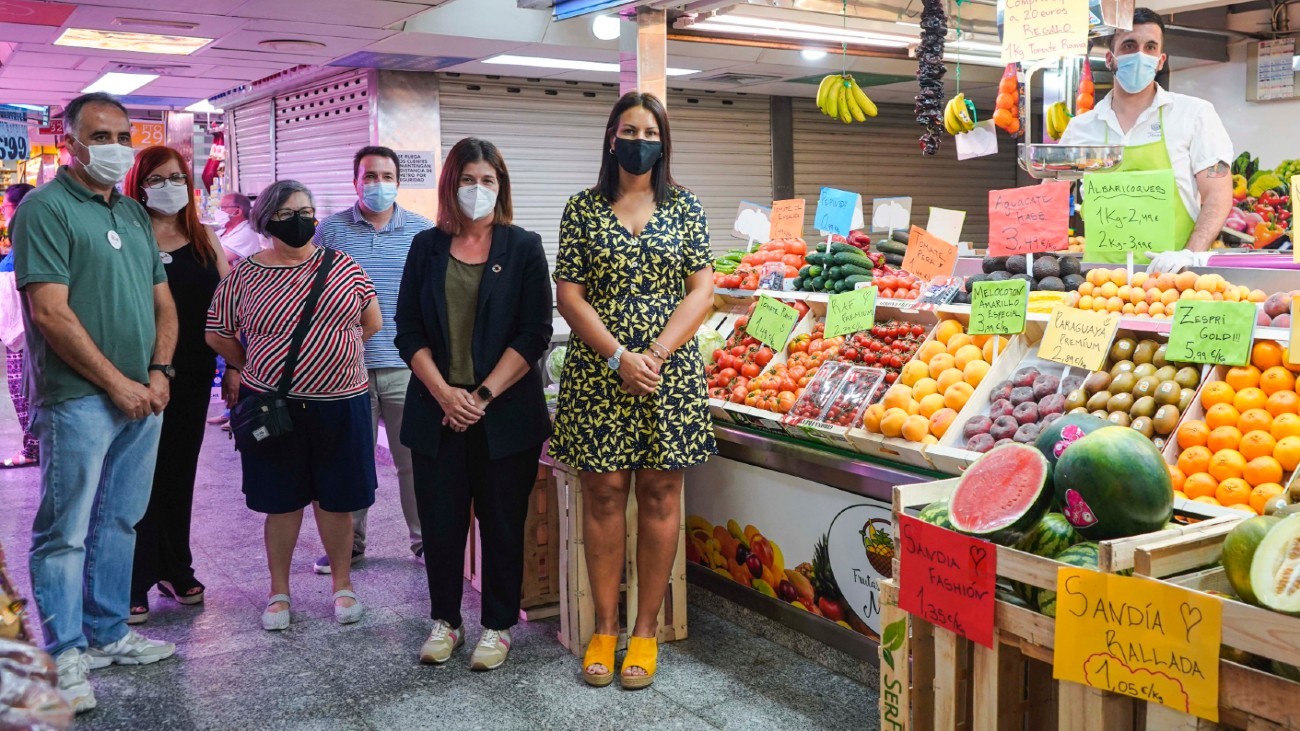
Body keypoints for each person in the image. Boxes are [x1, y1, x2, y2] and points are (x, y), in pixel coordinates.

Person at [13, 92, 179, 714]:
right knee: (66, 530)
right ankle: (64, 653)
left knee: (121, 519)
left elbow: (163, 303)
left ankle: (108, 632)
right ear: (70, 138)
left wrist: (159, 371)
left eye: (121, 136)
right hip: (79, 397)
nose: (113, 148)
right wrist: (117, 382)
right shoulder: (45, 210)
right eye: (100, 136)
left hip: (144, 394)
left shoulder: (134, 215)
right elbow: (51, 313)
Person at [550, 92, 716, 689]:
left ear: (662, 141)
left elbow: (702, 289)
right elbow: (569, 295)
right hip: (600, 372)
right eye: (628, 129)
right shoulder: (582, 208)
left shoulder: (686, 207)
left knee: (660, 493)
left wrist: (657, 355)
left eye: (649, 130)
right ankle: (604, 627)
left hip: (668, 373)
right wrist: (620, 356)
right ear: (611, 138)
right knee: (603, 493)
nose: (638, 139)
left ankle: (644, 632)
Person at [395, 138, 552, 671]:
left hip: (504, 414)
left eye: (488, 180)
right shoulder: (425, 248)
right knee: (441, 526)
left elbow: (535, 333)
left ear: (501, 186)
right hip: (437, 410)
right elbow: (407, 329)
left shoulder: (524, 247)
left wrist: (481, 395)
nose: (477, 190)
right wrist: (445, 391)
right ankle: (445, 621)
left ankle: (498, 626)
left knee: (503, 523)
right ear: (449, 185)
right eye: (468, 180)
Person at [205, 179, 381, 632]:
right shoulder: (245, 275)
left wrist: (332, 355)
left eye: (305, 210)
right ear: (266, 221)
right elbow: (216, 331)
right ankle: (278, 592)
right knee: (281, 503)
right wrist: (253, 364)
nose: (299, 220)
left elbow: (372, 321)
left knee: (337, 501)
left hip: (343, 404)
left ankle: (342, 586)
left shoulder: (344, 266)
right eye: (286, 214)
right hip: (275, 406)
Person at [123, 146, 230, 625]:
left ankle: (174, 566)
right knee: (136, 475)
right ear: (140, 184)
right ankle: (132, 576)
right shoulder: (126, 234)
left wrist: (234, 368)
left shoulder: (205, 238)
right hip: (137, 372)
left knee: (179, 469)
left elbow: (229, 309)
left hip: (193, 373)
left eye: (178, 177)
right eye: (159, 177)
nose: (170, 185)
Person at [314, 145, 432, 574]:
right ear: (355, 181)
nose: (377, 183)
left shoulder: (422, 230)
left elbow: (430, 298)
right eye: (369, 176)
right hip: (347, 369)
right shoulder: (330, 231)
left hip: (406, 366)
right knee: (350, 462)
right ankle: (349, 545)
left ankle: (425, 543)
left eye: (385, 175)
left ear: (398, 181)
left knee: (414, 464)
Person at [1059, 7, 1233, 272]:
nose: (1140, 55)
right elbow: (1051, 195)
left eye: (1150, 47)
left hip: (1174, 279)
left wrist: (1189, 254)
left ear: (1161, 60)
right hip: (1097, 283)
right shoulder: (1081, 128)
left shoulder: (1195, 115)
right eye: (1129, 45)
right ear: (1110, 59)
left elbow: (1218, 195)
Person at [1, 183, 37, 468]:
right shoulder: (19, 241)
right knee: (20, 392)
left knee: (26, 392)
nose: (3, 211)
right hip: (17, 333)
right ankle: (33, 445)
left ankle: (33, 448)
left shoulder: (29, 241)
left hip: (26, 334)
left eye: (6, 206)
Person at [217, 192, 263, 264]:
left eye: (223, 207)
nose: (219, 212)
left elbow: (214, 259)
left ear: (238, 211)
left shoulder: (246, 234)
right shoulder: (222, 232)